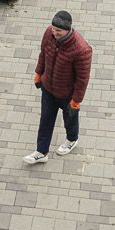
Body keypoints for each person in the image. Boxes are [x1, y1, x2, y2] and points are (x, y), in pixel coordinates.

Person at [24, 10, 93, 164]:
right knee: (45, 119)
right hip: (48, 88)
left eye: (58, 31)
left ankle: (72, 139)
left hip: (67, 94)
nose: (54, 32)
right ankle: (41, 152)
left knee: (70, 119)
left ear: (68, 29)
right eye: (53, 29)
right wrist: (38, 73)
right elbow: (43, 54)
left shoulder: (82, 49)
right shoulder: (49, 33)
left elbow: (82, 79)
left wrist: (76, 100)